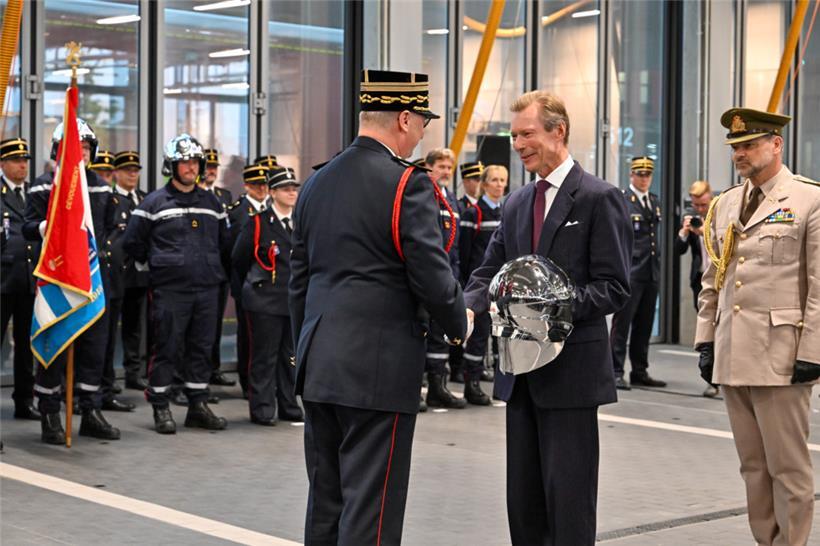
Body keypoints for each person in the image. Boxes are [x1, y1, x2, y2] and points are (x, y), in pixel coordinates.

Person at [290, 69, 467, 545]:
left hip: (319, 365)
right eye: (423, 122)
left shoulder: (316, 182)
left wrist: (302, 350)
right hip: (377, 368)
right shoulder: (406, 184)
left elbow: (298, 281)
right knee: (372, 509)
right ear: (404, 119)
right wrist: (459, 324)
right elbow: (430, 273)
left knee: (326, 502)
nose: (424, 133)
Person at [463, 90, 631, 545]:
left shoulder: (599, 198)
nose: (518, 144)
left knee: (570, 502)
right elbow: (487, 269)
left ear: (559, 131)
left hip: (571, 375)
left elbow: (614, 287)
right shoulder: (516, 203)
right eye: (514, 135)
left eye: (527, 134)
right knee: (524, 503)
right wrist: (465, 308)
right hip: (520, 375)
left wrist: (550, 304)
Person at [695, 107, 820, 546]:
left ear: (776, 144)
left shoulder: (809, 200)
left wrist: (813, 353)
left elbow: (819, 286)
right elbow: (715, 277)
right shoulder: (726, 203)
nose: (739, 154)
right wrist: (706, 339)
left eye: (748, 145)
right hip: (733, 353)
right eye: (734, 147)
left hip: (782, 356)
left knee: (788, 466)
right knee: (752, 464)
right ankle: (766, 540)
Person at [123, 134, 230, 434]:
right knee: (166, 347)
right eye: (184, 161)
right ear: (171, 165)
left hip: (208, 288)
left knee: (202, 347)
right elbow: (133, 243)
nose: (190, 167)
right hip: (170, 290)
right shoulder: (153, 203)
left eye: (195, 161)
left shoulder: (212, 202)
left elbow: (225, 244)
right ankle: (161, 406)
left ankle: (197, 405)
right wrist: (159, 267)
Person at [24, 119, 121, 444]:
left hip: (92, 278)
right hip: (58, 278)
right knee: (56, 345)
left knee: (95, 348)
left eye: (85, 148)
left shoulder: (100, 186)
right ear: (58, 150)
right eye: (73, 148)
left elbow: (109, 229)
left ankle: (90, 411)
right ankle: (50, 412)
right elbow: (27, 227)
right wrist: (48, 228)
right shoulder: (42, 185)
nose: (81, 153)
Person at [232, 165, 302, 425]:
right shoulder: (259, 222)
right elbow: (239, 259)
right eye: (285, 188)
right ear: (272, 192)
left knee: (290, 357)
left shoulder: (302, 222)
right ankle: (261, 408)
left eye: (294, 187)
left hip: (292, 300)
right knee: (264, 357)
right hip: (264, 300)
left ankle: (289, 405)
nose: (291, 192)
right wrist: (246, 292)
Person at [609, 156, 666, 390]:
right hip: (631, 271)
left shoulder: (654, 201)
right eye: (640, 174)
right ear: (631, 175)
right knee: (622, 325)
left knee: (644, 324)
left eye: (648, 175)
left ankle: (640, 370)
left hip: (651, 271)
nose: (644, 179)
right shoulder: (623, 200)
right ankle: (615, 371)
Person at [459, 164, 508, 405]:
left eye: (502, 180)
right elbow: (466, 251)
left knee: (501, 337)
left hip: (503, 289)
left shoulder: (507, 211)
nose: (499, 185)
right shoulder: (474, 213)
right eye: (495, 180)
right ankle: (472, 383)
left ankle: (501, 383)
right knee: (478, 338)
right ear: (485, 184)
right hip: (481, 289)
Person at [422, 147, 466, 410]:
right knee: (421, 334)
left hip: (448, 276)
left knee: (441, 335)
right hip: (426, 279)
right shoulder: (423, 196)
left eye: (449, 168)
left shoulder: (452, 201)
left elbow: (457, 246)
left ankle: (438, 387)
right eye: (441, 166)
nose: (446, 172)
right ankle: (416, 387)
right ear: (429, 168)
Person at [102, 151, 148, 394]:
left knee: (135, 327)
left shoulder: (143, 198)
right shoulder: (110, 199)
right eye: (127, 170)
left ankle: (133, 372)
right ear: (116, 173)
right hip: (115, 273)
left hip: (139, 273)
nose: (132, 174)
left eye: (136, 170)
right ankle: (105, 375)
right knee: (109, 329)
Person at [0, 137, 39, 420]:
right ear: (3, 164)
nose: (22, 165)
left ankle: (24, 402)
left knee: (27, 346)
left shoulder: (32, 193)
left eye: (25, 160)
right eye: (16, 160)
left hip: (28, 280)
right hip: (2, 280)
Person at [226, 163, 272, 398]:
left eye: (264, 184)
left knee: (268, 339)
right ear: (246, 186)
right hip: (246, 283)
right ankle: (247, 382)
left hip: (271, 286)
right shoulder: (237, 212)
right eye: (256, 185)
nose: (262, 189)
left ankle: (265, 383)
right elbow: (236, 254)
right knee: (248, 338)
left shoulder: (273, 209)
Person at [675, 180, 718, 398]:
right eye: (697, 205)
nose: (700, 209)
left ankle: (722, 377)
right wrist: (684, 232)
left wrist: (703, 232)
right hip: (700, 280)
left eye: (703, 204)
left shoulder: (720, 216)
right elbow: (678, 249)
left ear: (710, 197)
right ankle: (710, 378)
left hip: (721, 280)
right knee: (706, 331)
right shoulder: (692, 221)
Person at [201, 148, 235, 387]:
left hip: (219, 269)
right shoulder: (194, 194)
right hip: (197, 269)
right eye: (208, 167)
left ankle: (213, 367)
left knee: (214, 324)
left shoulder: (224, 195)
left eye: (215, 167)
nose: (212, 171)